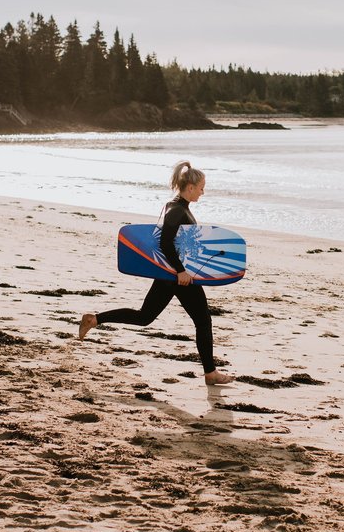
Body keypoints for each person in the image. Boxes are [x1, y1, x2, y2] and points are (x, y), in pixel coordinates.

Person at [79, 160, 234, 386]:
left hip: (169, 275)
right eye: (201, 187)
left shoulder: (178, 207)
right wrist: (181, 271)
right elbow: (165, 243)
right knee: (203, 321)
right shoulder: (177, 210)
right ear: (190, 187)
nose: (203, 191)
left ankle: (94, 319)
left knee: (145, 317)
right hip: (176, 276)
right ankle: (210, 373)